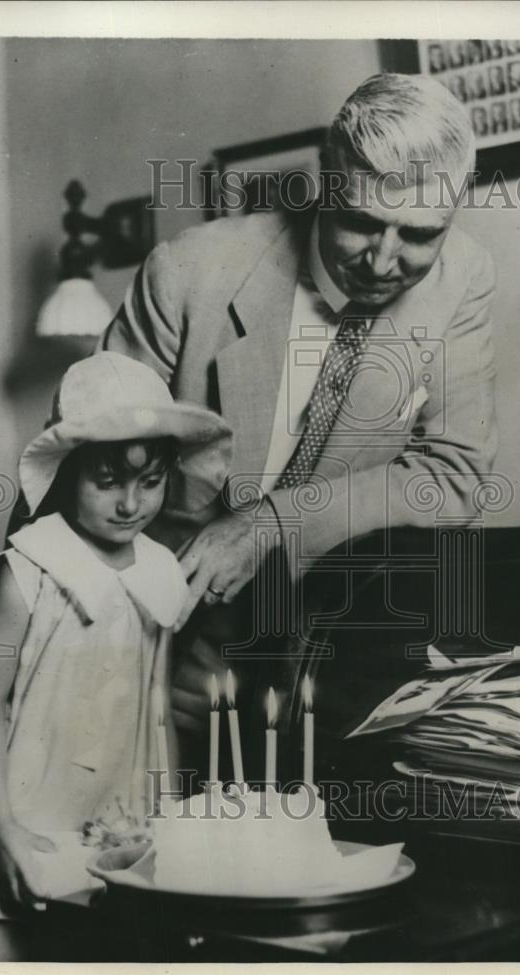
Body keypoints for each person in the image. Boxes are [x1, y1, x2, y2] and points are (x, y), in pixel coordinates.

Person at [100, 73, 498, 743]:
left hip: (325, 647)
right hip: (152, 615)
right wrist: (136, 657)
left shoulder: (463, 278)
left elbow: (455, 476)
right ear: (324, 183)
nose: (382, 260)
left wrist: (271, 525)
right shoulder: (187, 272)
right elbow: (87, 467)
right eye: (361, 223)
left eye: (420, 235)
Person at [0, 352, 232, 959]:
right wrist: (1, 828)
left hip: (114, 809)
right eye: (106, 481)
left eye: (150, 481)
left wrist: (166, 817)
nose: (130, 504)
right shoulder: (25, 573)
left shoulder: (161, 571)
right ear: (65, 473)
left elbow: (155, 707)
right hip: (15, 803)